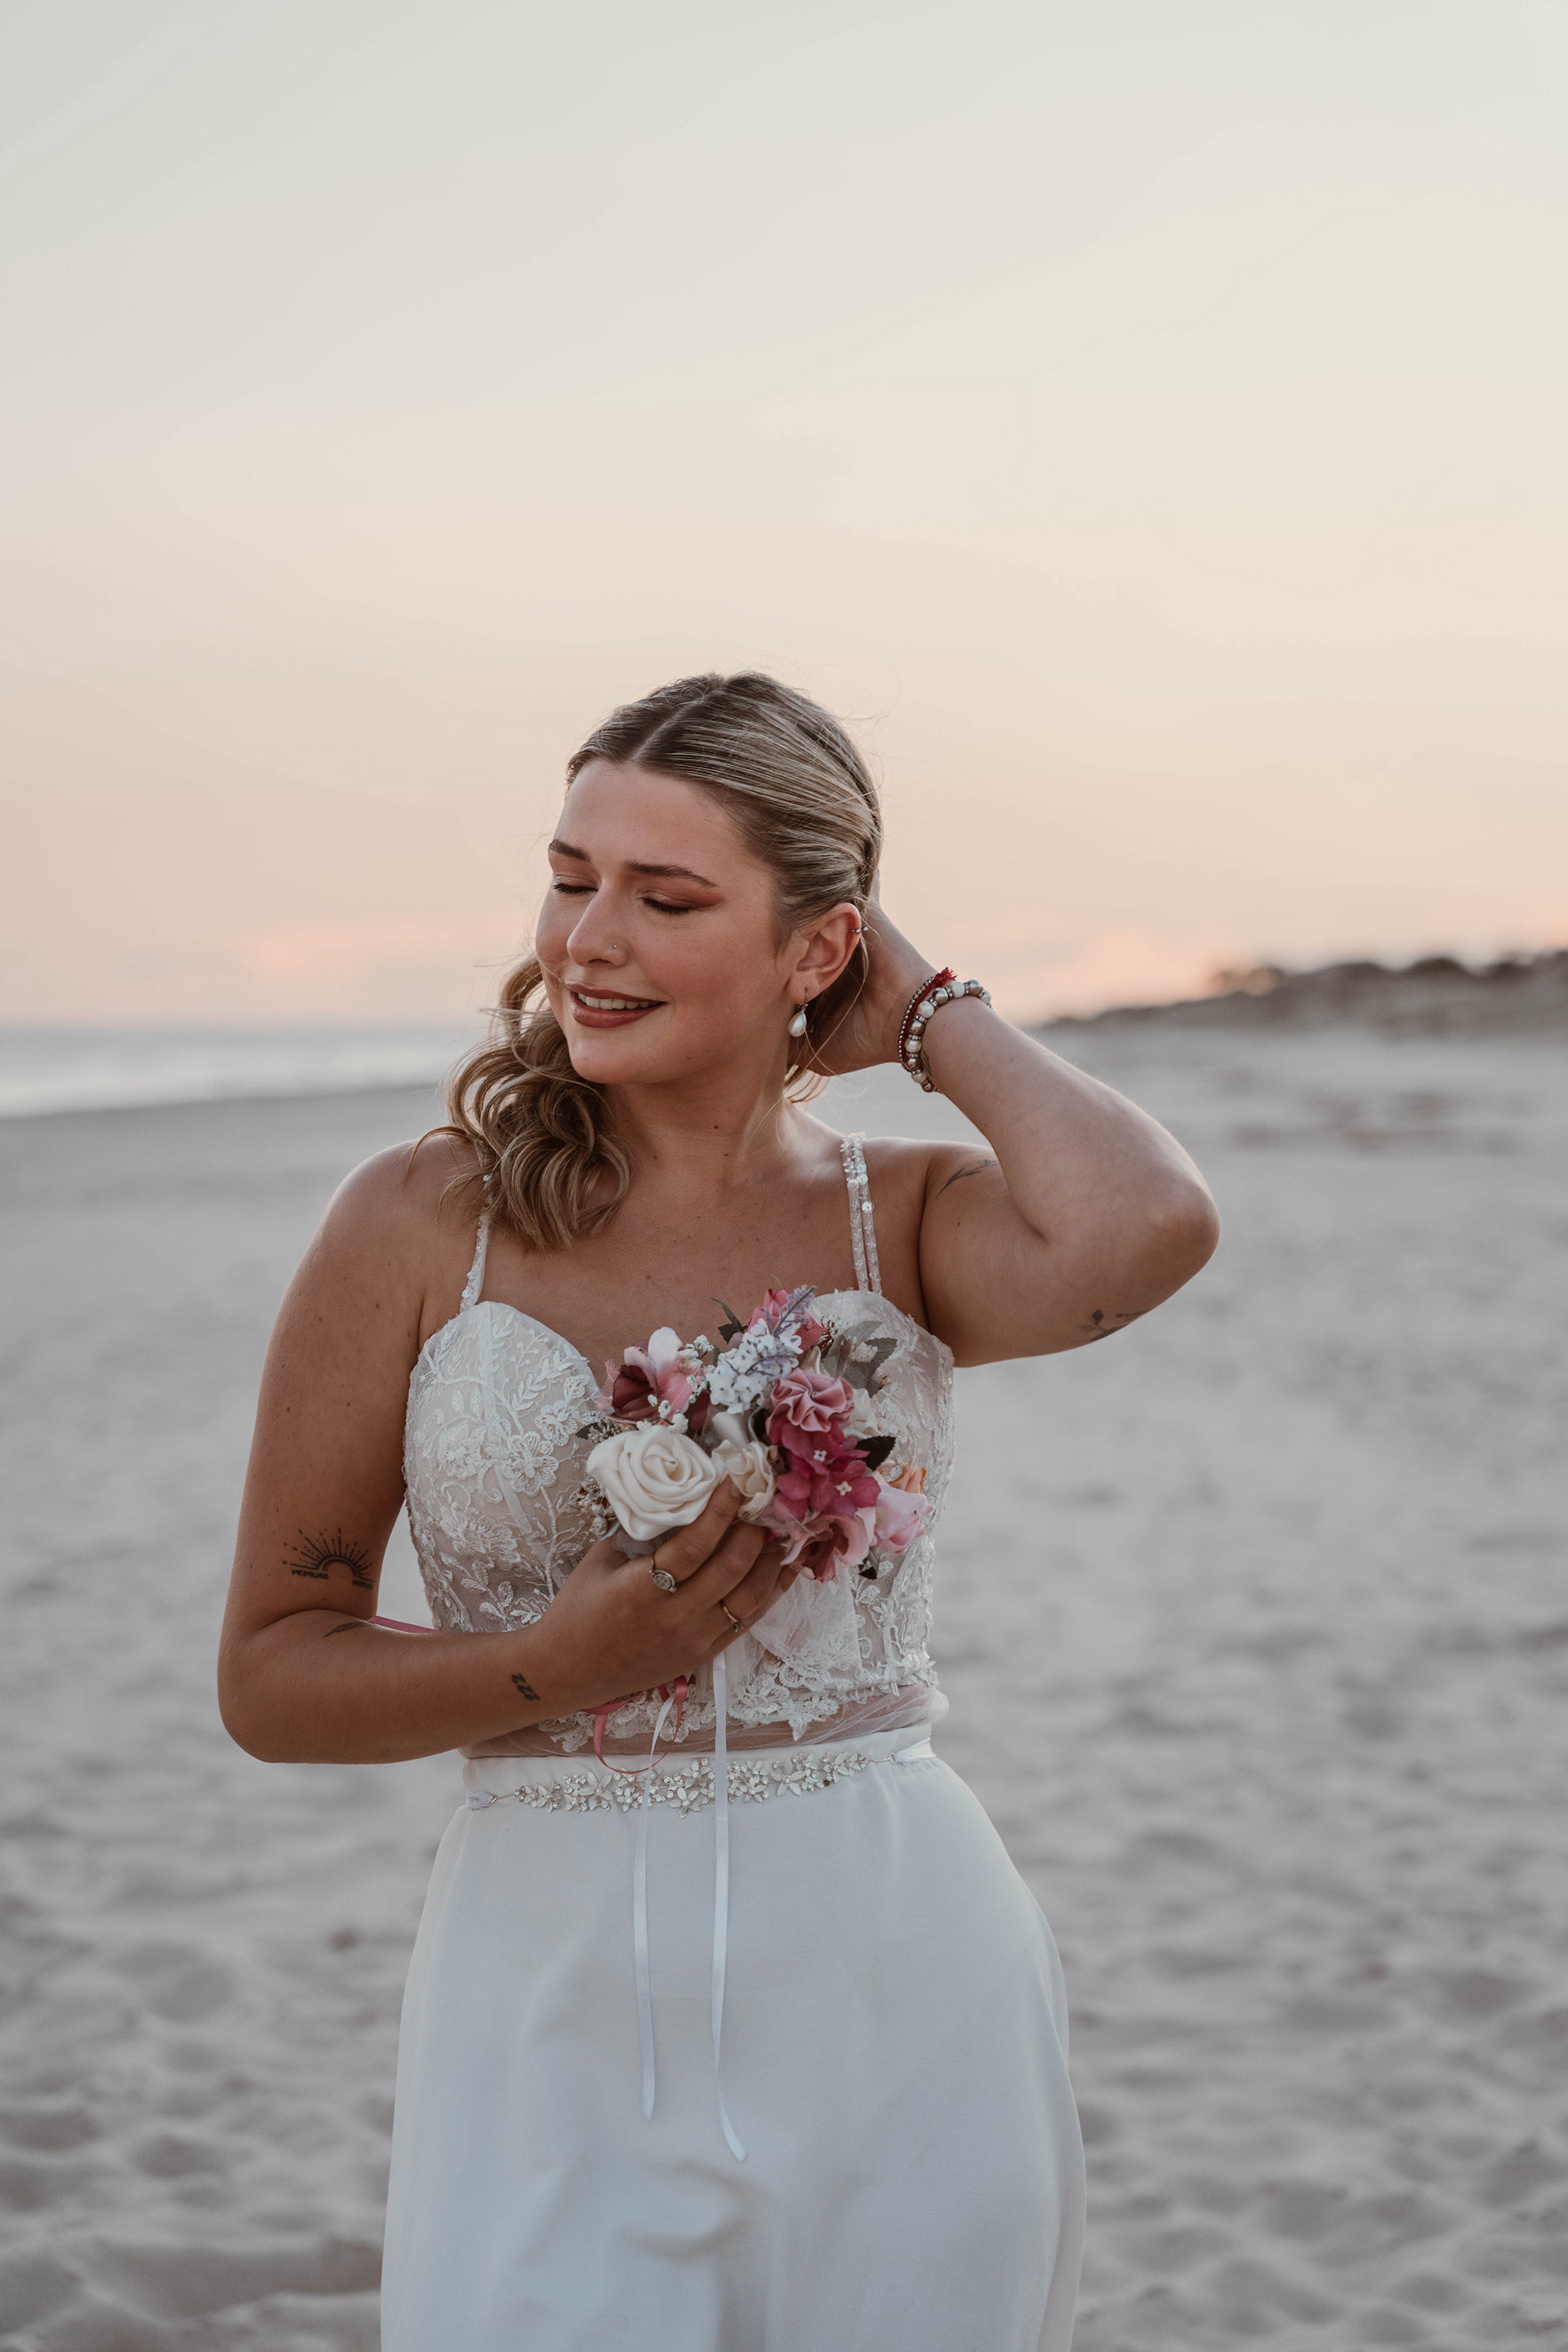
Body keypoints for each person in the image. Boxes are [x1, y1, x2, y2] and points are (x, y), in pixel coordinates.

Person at [219, 670, 1218, 2351]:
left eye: (667, 898)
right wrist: (550, 1666)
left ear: (816, 949)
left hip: (898, 1967)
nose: (585, 940)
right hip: (549, 1990)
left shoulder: (897, 1219)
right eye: (570, 875)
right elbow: (272, 1671)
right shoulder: (414, 1222)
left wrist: (925, 1007)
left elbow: (1148, 1227)